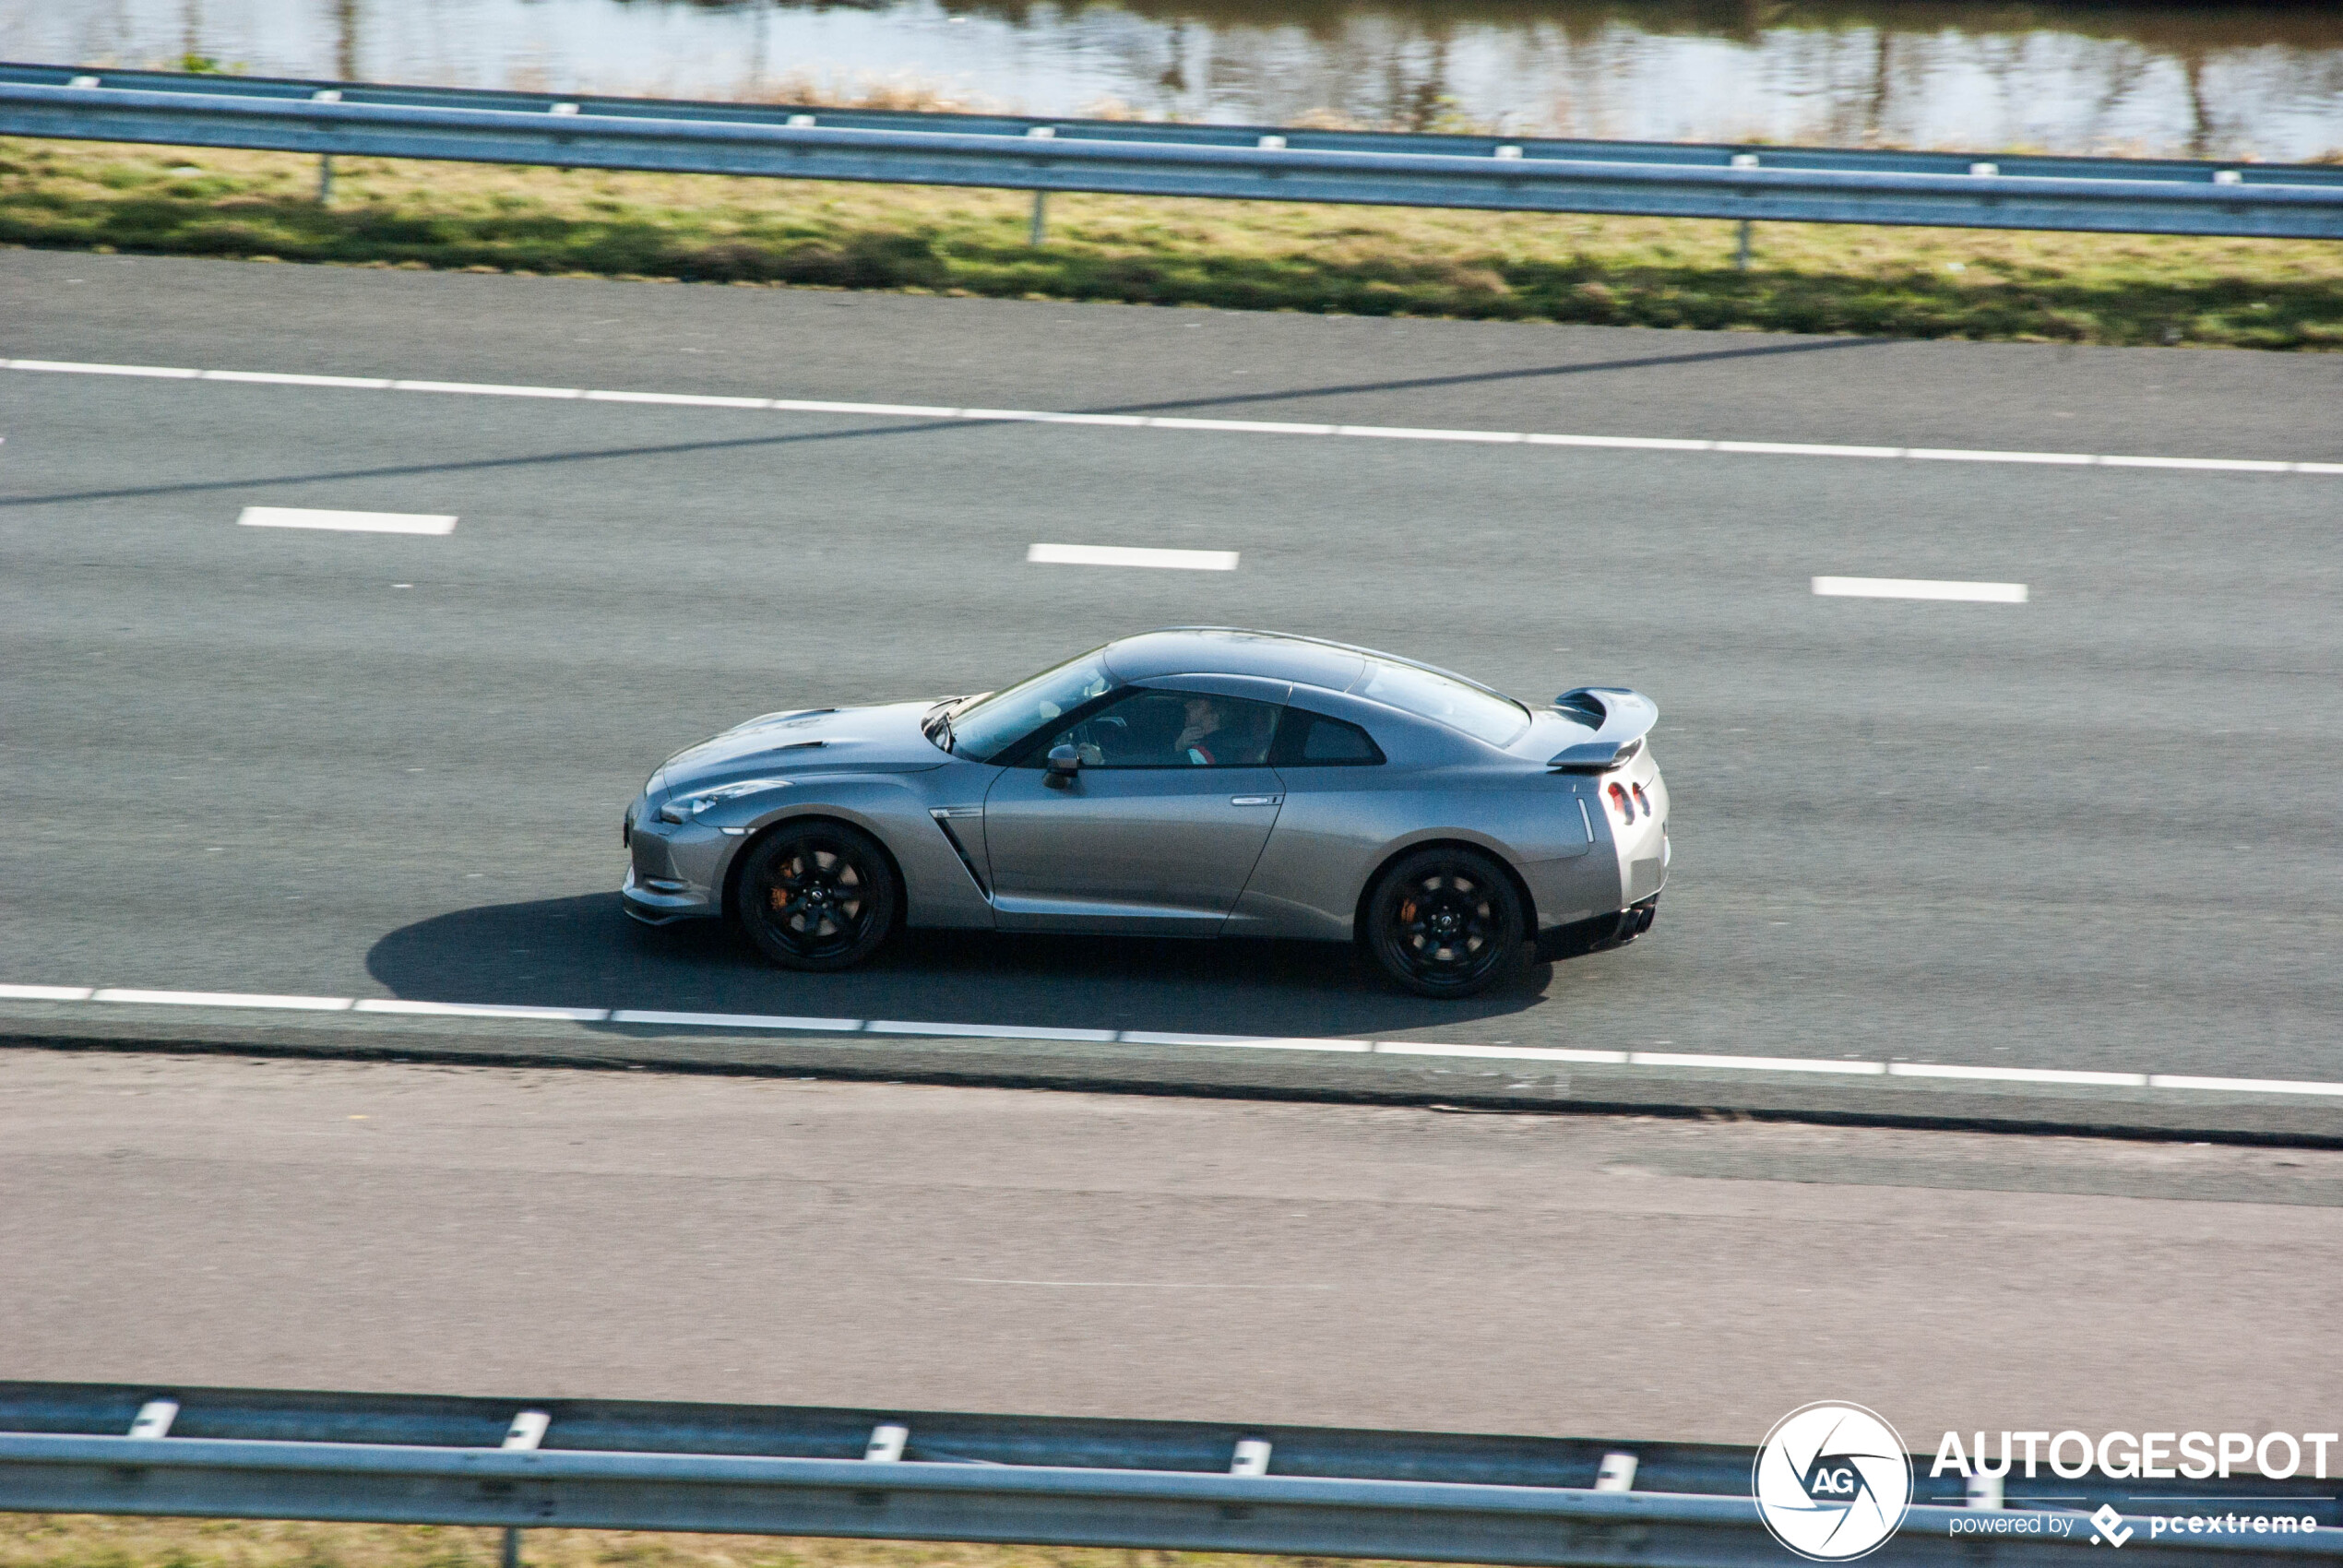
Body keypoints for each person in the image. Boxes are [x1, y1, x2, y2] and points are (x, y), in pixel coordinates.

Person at [1174, 696, 1227, 764]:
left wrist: (1178, 747)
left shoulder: (1201, 753)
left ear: (1214, 717)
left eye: (1196, 705)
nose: (1186, 705)